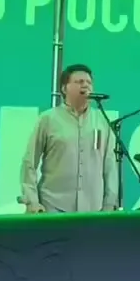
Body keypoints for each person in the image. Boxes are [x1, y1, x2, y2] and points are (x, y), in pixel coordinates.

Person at [21, 64, 119, 213]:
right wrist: (32, 201)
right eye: (79, 82)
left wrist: (109, 204)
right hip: (53, 206)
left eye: (89, 82)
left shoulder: (102, 121)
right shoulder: (48, 119)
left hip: (93, 209)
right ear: (64, 88)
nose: (85, 85)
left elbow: (110, 166)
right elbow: (29, 163)